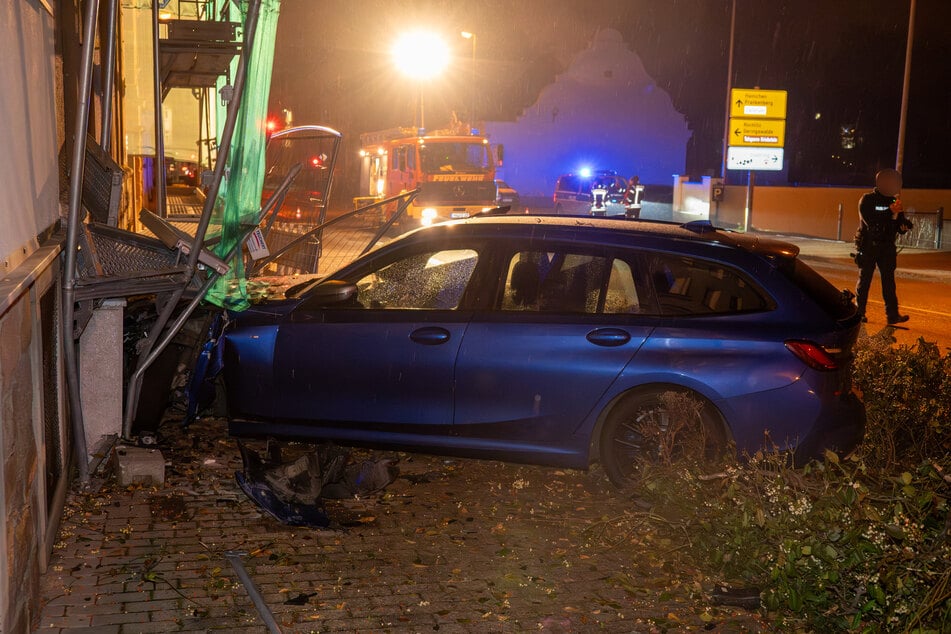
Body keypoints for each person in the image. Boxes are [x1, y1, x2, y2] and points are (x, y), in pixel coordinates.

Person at [854, 168, 913, 324]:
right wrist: (889, 211)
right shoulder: (867, 199)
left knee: (889, 282)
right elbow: (871, 221)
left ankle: (892, 315)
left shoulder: (894, 201)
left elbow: (899, 222)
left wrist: (905, 226)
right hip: (869, 246)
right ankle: (859, 314)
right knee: (864, 280)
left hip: (887, 247)